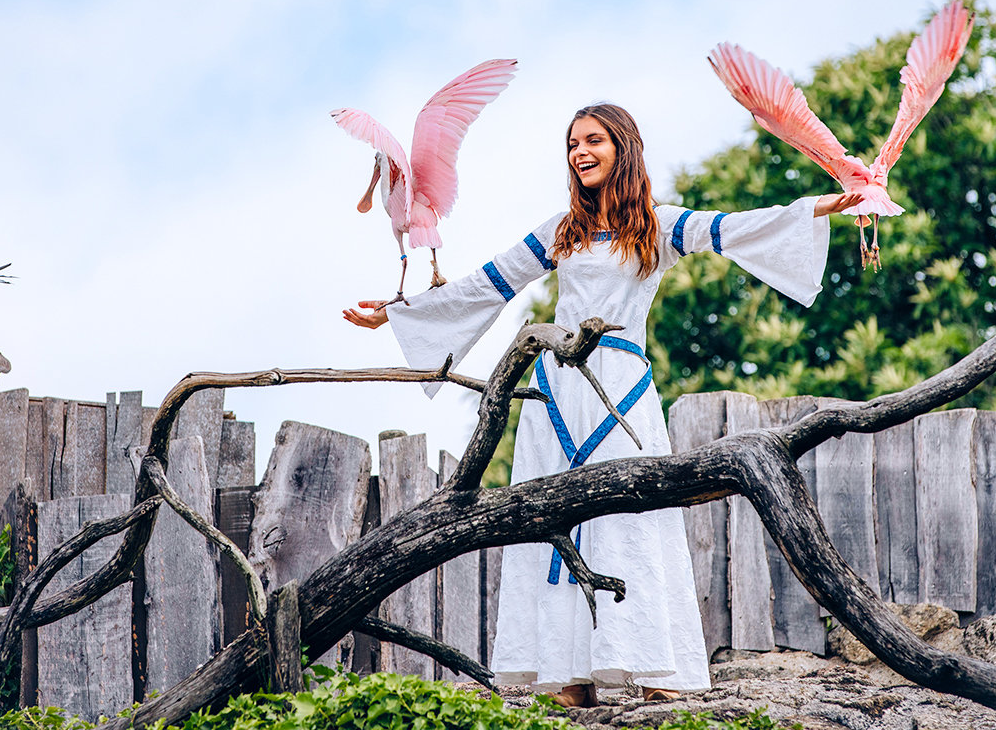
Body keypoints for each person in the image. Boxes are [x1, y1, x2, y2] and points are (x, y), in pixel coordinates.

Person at [344, 102, 859, 706]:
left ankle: (650, 666)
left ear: (623, 147)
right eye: (572, 144)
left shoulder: (659, 227)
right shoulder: (560, 231)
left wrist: (820, 208)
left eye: (593, 140)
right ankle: (566, 676)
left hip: (622, 387)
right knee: (548, 521)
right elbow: (488, 283)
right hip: (556, 393)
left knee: (630, 517)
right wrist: (398, 313)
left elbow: (733, 227)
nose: (580, 153)